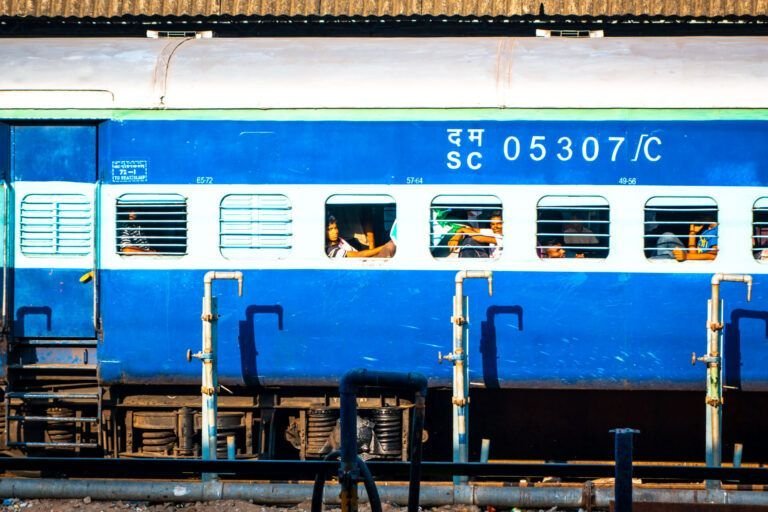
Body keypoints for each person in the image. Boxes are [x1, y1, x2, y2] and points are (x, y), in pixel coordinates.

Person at [326, 215, 395, 258]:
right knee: (390, 246)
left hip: (364, 261)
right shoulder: (332, 251)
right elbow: (358, 255)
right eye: (330, 229)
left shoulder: (339, 240)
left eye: (336, 228)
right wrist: (384, 246)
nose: (336, 231)